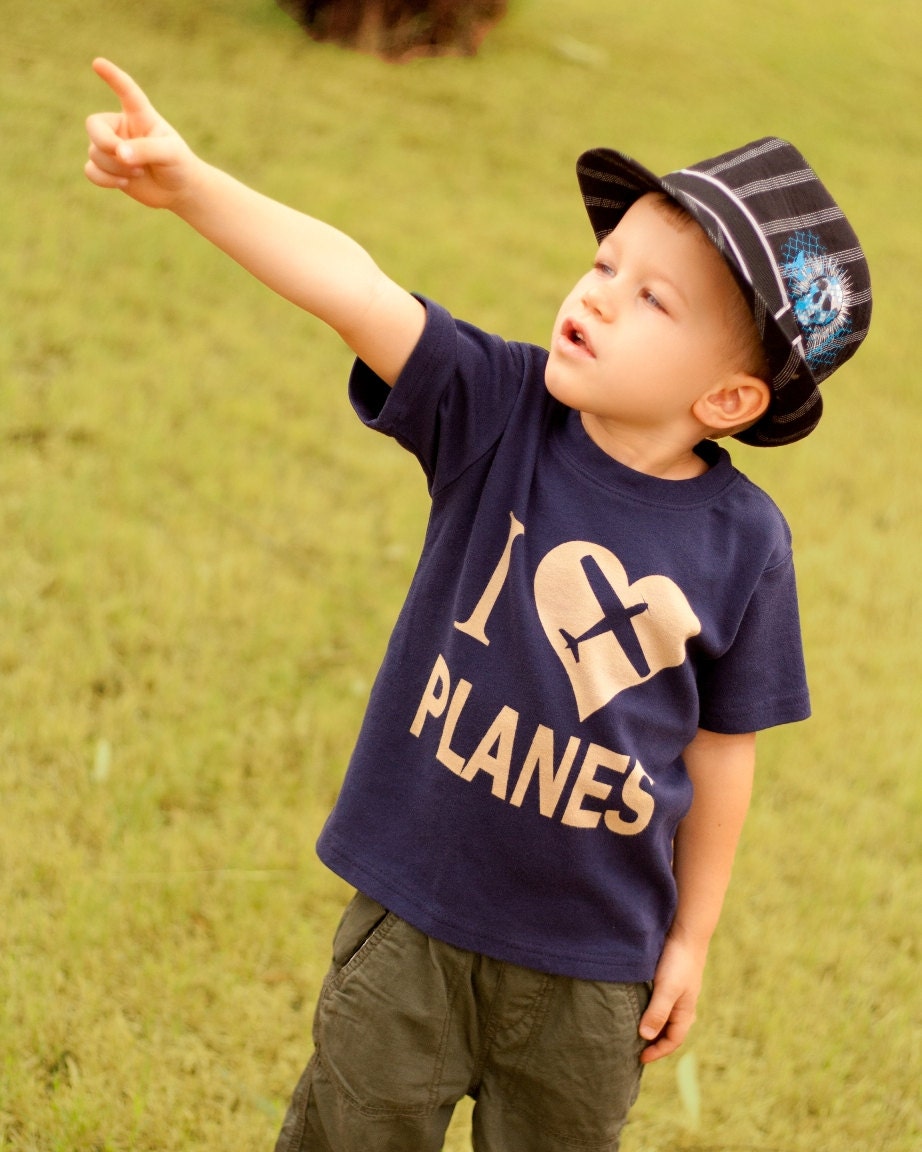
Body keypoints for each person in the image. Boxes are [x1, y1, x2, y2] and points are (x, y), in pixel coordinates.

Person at [84, 58, 871, 1152]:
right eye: (603, 262)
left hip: (593, 969)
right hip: (414, 919)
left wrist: (690, 940)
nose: (594, 293)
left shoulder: (745, 545)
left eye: (651, 297)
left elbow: (723, 753)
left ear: (727, 399)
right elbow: (356, 289)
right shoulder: (496, 412)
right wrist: (194, 187)